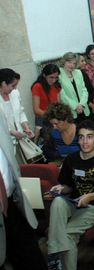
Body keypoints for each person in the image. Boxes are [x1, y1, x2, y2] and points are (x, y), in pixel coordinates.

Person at [47, 120, 94, 270]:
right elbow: (68, 187)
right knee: (58, 202)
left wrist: (92, 195)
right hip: (72, 203)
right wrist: (60, 189)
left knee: (66, 235)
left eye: (89, 137)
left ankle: (53, 254)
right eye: (81, 137)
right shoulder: (71, 159)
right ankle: (54, 253)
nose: (85, 141)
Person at [0, 69, 47, 270]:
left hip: (10, 198)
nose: (13, 89)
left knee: (28, 254)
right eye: (11, 85)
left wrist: (26, 127)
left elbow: (20, 113)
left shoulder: (14, 95)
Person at [0, 69, 34, 163]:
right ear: (3, 84)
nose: (15, 88)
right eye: (13, 85)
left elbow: (20, 112)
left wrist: (26, 127)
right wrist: (13, 133)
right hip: (4, 142)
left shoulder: (15, 93)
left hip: (19, 139)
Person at [31, 64, 62, 140]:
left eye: (56, 77)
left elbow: (58, 104)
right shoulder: (37, 86)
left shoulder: (56, 85)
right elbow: (36, 110)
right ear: (44, 75)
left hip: (55, 118)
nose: (54, 80)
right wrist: (51, 117)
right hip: (43, 119)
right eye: (51, 77)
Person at [58, 52, 91, 123]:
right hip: (70, 111)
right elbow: (62, 95)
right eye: (69, 62)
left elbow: (84, 90)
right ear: (64, 61)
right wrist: (75, 107)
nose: (72, 65)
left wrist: (82, 104)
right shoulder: (59, 75)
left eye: (74, 63)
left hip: (83, 109)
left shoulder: (78, 72)